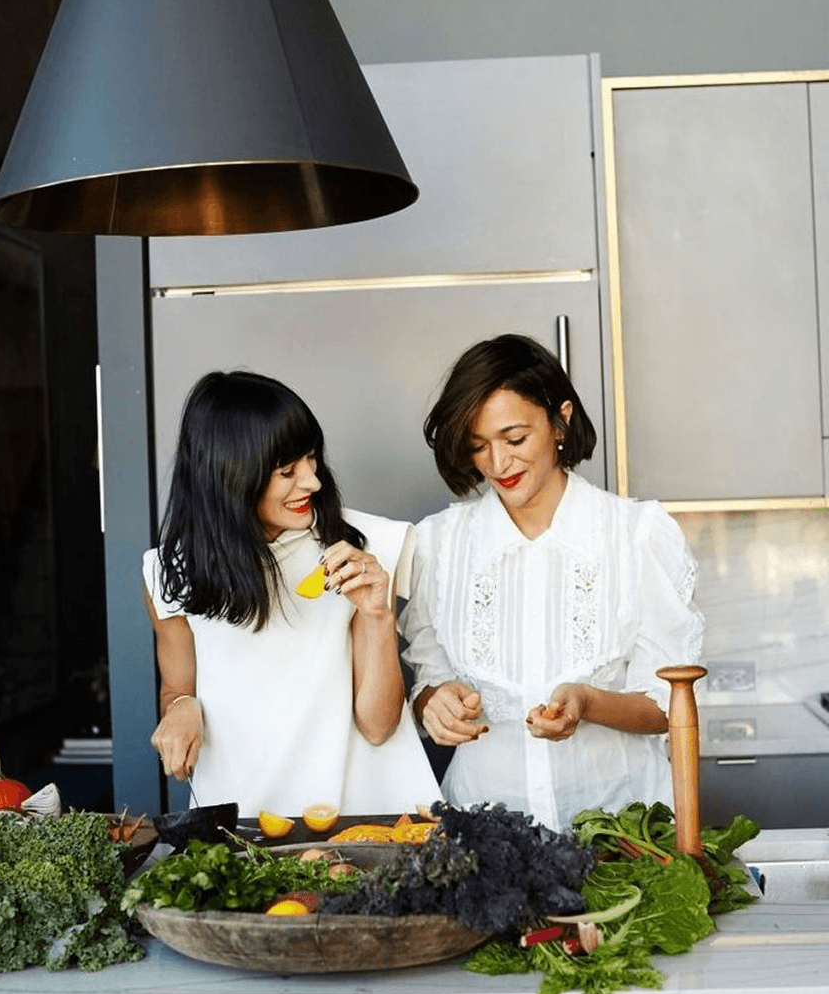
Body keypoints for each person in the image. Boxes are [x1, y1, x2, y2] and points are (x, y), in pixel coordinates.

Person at [400, 334, 704, 831]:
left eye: (515, 439)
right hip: (483, 831)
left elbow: (668, 705)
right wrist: (435, 704)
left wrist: (588, 702)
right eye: (478, 446)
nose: (498, 464)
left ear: (560, 420)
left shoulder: (637, 536)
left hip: (622, 831)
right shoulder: (438, 546)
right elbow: (428, 681)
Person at [144, 370, 439, 817]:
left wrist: (377, 614)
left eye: (311, 459)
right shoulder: (171, 573)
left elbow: (379, 727)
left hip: (360, 821)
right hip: (244, 823)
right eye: (287, 471)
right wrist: (181, 709)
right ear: (230, 477)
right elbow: (177, 690)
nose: (313, 482)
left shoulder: (365, 548)